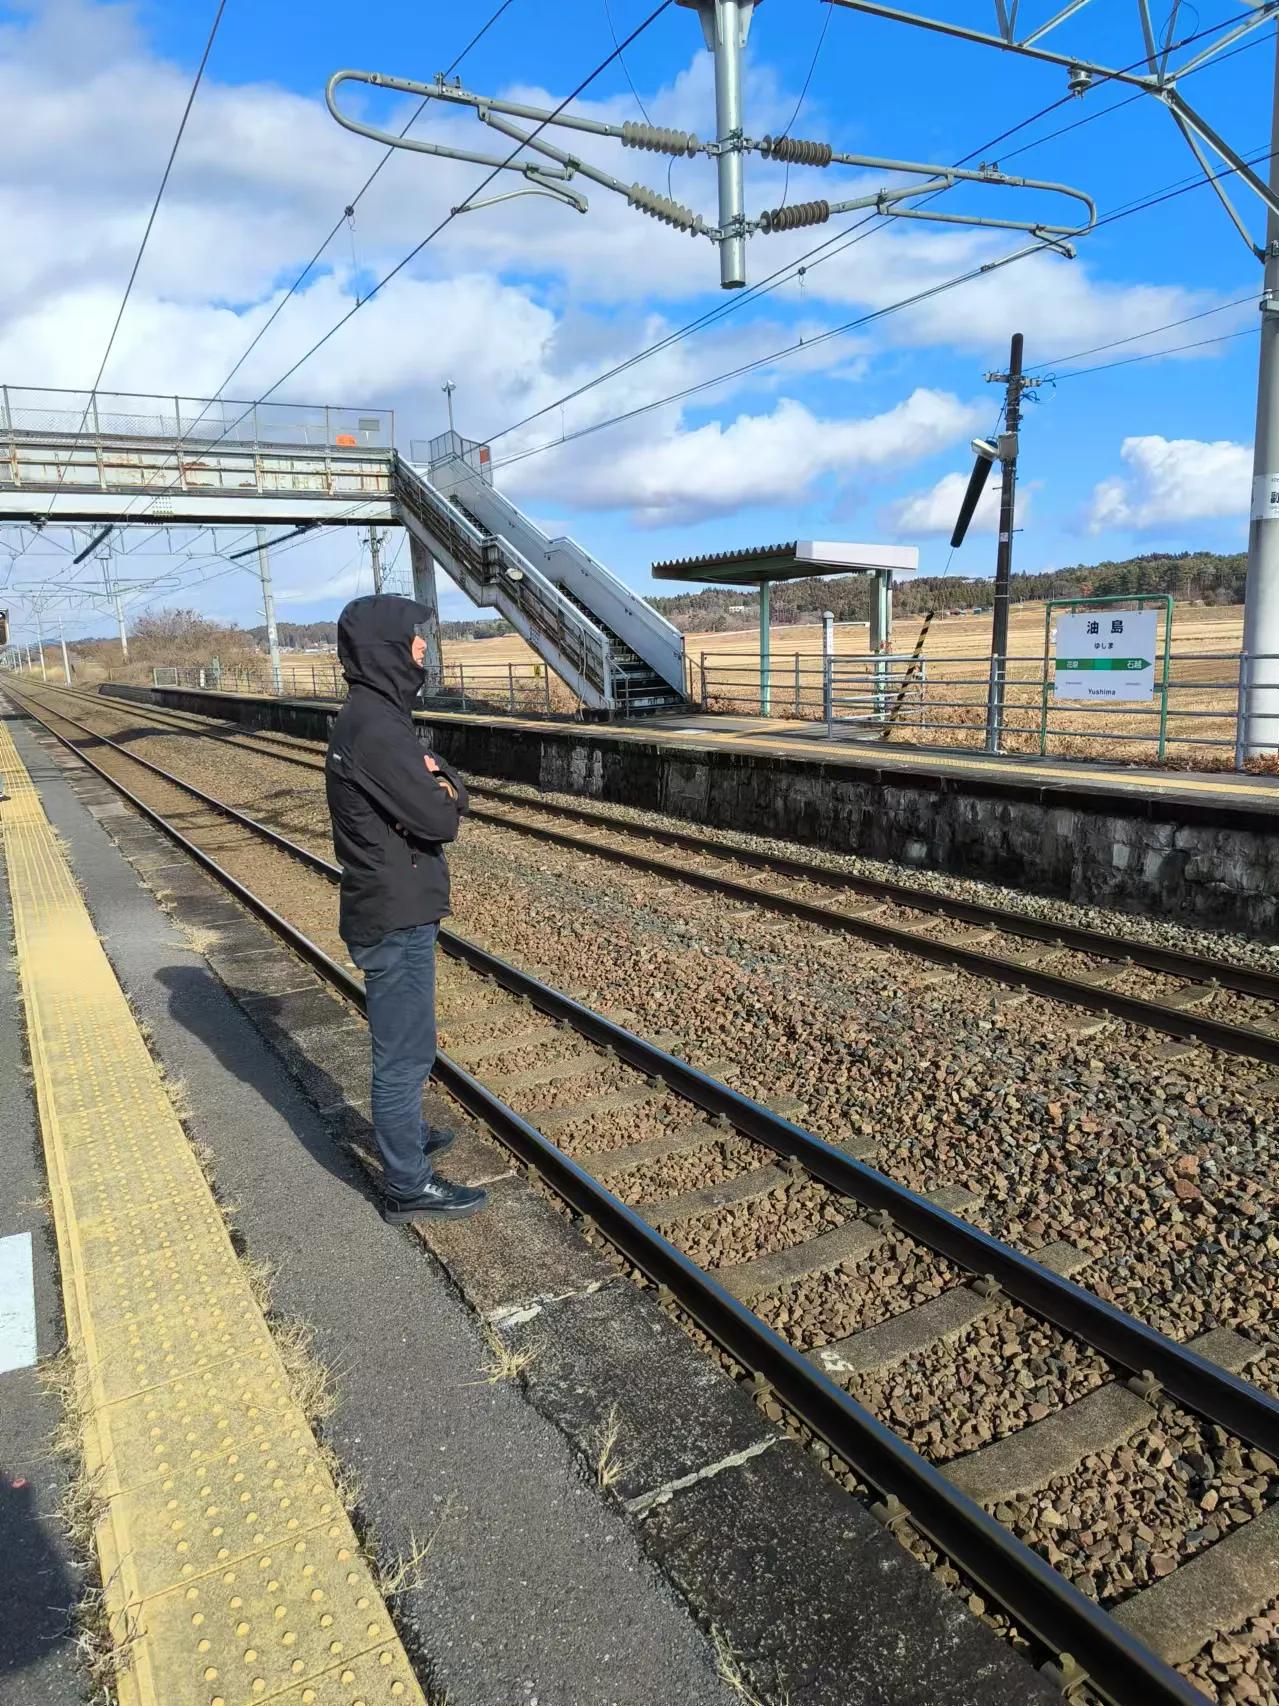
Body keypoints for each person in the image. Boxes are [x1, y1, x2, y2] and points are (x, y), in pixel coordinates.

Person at [325, 595, 486, 1223]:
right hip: (393, 913)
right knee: (404, 1053)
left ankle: (407, 1136)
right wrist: (442, 785)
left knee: (409, 1042)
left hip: (394, 902)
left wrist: (438, 777)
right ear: (387, 649)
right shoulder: (379, 729)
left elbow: (440, 789)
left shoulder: (373, 716)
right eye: (413, 638)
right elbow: (441, 816)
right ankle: (407, 1184)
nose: (422, 647)